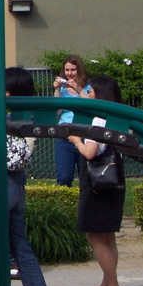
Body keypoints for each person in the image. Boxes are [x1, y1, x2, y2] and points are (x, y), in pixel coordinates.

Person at [67, 75, 126, 286]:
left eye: (91, 91)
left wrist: (76, 141)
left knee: (95, 236)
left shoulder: (97, 121)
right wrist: (76, 91)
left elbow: (90, 153)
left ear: (99, 94)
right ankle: (107, 282)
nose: (88, 94)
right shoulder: (114, 117)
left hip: (97, 186)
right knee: (108, 236)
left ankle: (113, 285)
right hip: (113, 183)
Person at [4, 67, 49, 286]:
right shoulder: (30, 117)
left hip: (2, 182)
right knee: (20, 242)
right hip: (19, 182)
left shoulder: (5, 118)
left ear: (8, 93)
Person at [53, 55, 91, 187]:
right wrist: (57, 90)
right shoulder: (63, 90)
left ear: (79, 70)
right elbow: (57, 110)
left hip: (84, 134)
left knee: (86, 177)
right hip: (65, 134)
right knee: (64, 176)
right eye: (67, 70)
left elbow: (93, 105)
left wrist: (77, 90)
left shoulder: (89, 87)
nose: (69, 73)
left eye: (73, 70)